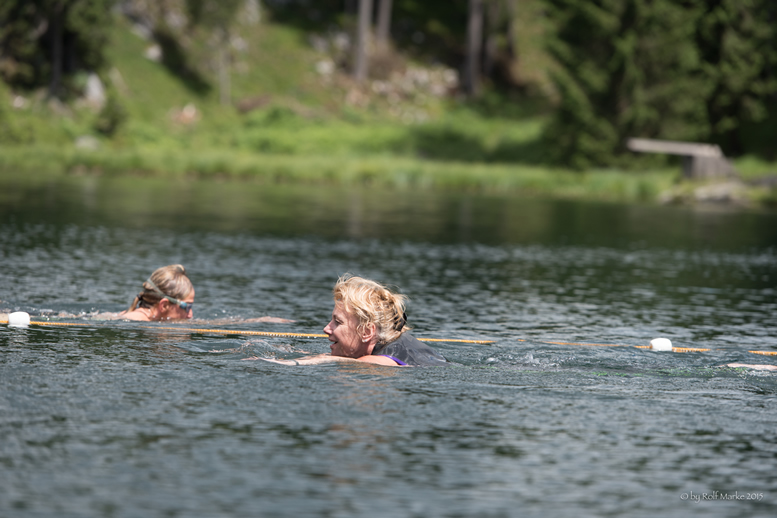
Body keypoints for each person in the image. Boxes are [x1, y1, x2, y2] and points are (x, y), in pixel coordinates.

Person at [263, 274, 448, 367]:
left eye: (338, 322)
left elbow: (355, 362)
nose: (326, 328)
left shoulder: (380, 361)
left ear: (367, 332)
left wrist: (282, 363)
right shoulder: (393, 345)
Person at [118, 264, 195, 322]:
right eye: (187, 307)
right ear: (164, 305)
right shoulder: (134, 321)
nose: (190, 315)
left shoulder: (125, 316)